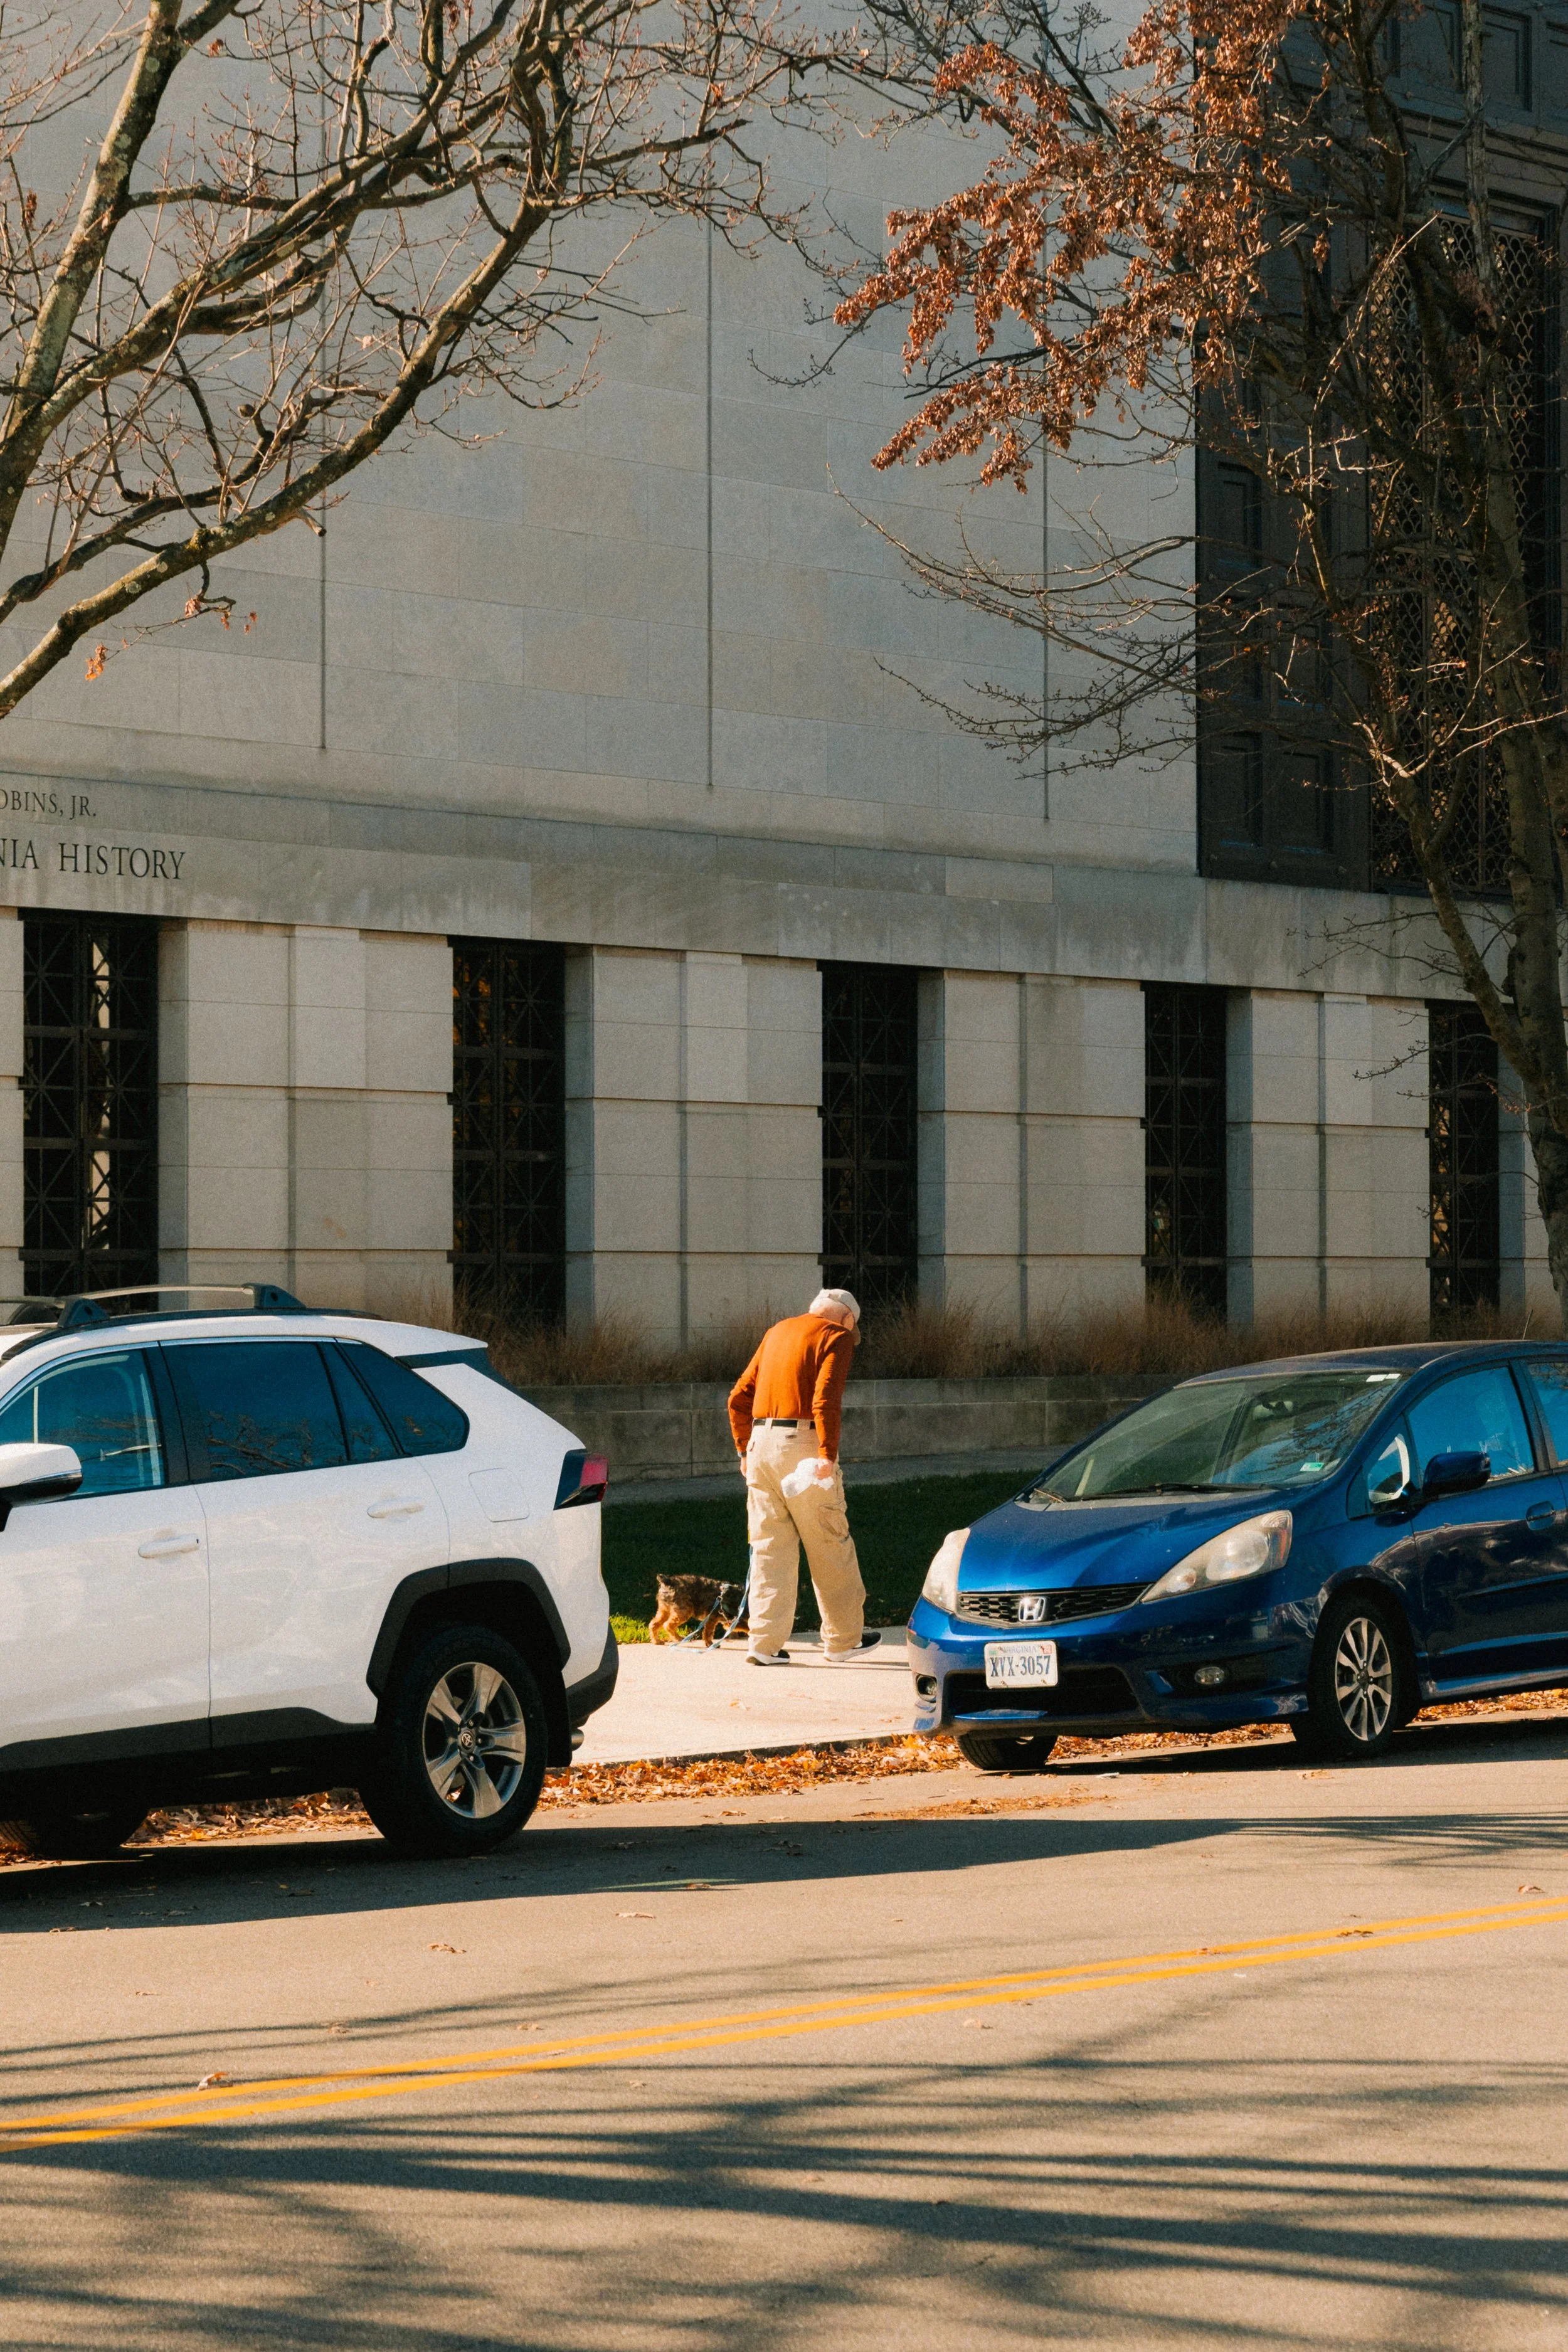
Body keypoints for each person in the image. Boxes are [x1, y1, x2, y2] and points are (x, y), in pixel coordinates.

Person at [727, 1288, 877, 1666]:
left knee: (768, 1548)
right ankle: (843, 1641)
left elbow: (738, 1397)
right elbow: (825, 1399)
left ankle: (763, 1644)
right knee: (829, 1543)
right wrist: (826, 1453)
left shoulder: (776, 1331)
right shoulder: (836, 1336)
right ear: (846, 1319)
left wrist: (744, 1449)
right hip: (803, 1445)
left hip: (761, 1445)